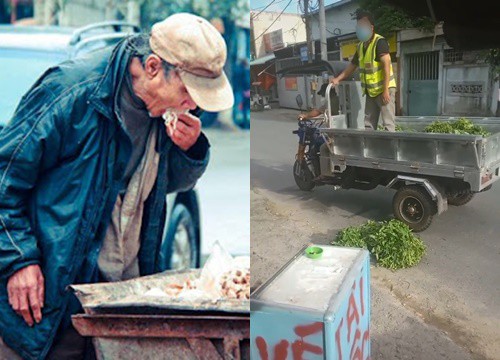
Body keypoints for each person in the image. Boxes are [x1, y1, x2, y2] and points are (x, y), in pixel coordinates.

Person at [0, 13, 234, 360]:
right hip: (49, 306)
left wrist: (191, 150)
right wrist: (19, 261)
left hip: (117, 307)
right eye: (187, 91)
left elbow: (168, 185)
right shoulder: (70, 93)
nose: (192, 105)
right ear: (153, 67)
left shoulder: (161, 111)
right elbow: (5, 180)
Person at [330, 10, 397, 132]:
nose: (360, 29)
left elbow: (386, 64)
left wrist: (386, 90)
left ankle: (389, 150)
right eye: (358, 26)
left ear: (371, 27)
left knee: (388, 124)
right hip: (371, 92)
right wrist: (338, 79)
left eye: (363, 26)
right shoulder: (360, 46)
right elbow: (352, 66)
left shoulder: (379, 42)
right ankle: (370, 149)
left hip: (384, 89)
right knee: (368, 124)